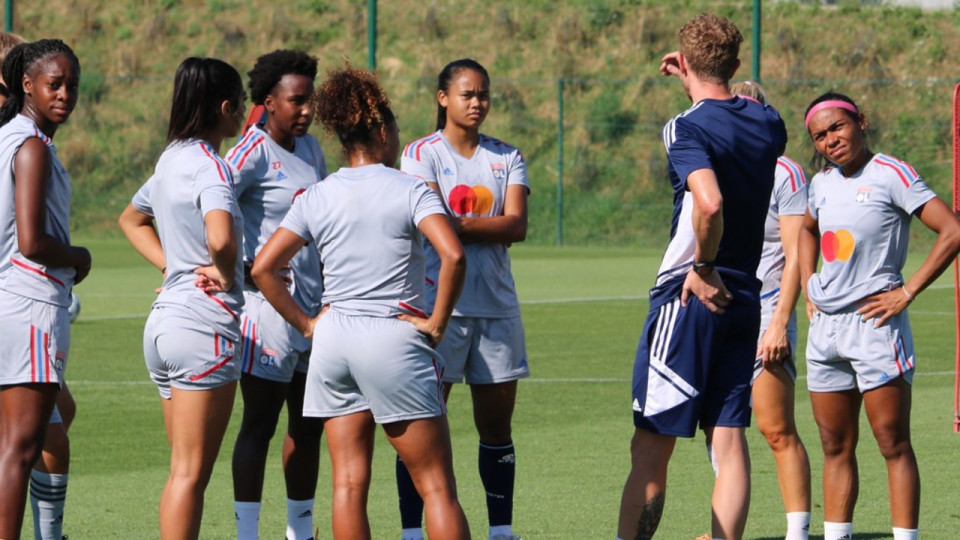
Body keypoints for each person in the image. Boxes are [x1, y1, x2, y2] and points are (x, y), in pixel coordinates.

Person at [251, 65, 470, 540]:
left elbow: (263, 268)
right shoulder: (410, 187)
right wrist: (436, 323)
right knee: (436, 488)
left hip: (333, 342)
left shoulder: (318, 194)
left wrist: (308, 324)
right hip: (391, 336)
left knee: (348, 485)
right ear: (383, 131)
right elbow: (453, 254)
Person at [616, 14, 787, 540]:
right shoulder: (770, 122)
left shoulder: (683, 126)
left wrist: (702, 267)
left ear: (684, 61)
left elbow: (708, 202)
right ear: (735, 66)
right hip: (746, 298)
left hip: (690, 295)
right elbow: (737, 117)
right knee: (729, 441)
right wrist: (695, 75)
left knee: (651, 445)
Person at [799, 92, 960, 540]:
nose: (831, 140)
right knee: (834, 445)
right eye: (820, 136)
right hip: (825, 330)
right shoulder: (820, 184)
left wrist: (907, 291)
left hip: (876, 327)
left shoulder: (892, 174)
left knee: (892, 443)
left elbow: (952, 230)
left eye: (837, 127)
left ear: (861, 122)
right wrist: (808, 283)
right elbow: (807, 229)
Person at [397, 58, 529, 540]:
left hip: (496, 308)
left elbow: (517, 226)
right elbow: (431, 225)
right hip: (438, 310)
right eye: (467, 94)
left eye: (483, 94)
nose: (477, 102)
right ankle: (412, 531)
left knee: (496, 428)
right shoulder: (420, 154)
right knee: (422, 429)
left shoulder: (507, 156)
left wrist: (460, 225)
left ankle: (501, 531)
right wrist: (485, 226)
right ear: (443, 98)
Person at [118, 57, 246, 540]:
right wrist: (225, 274)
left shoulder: (170, 158)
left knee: (180, 471)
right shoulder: (212, 166)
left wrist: (172, 266)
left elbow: (131, 219)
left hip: (163, 326)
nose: (244, 113)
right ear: (226, 108)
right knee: (190, 475)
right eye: (242, 104)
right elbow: (221, 238)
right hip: (202, 328)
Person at [225, 49, 327, 540]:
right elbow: (206, 206)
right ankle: (247, 534)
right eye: (296, 100)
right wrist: (241, 268)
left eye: (310, 100)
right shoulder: (250, 152)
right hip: (266, 311)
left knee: (308, 427)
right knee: (260, 424)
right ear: (268, 102)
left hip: (311, 310)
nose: (306, 110)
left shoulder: (311, 150)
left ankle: (299, 533)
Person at [0, 39, 90, 540]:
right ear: (26, 85)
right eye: (54, 84)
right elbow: (32, 242)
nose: (64, 94)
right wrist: (79, 257)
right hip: (30, 304)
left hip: (9, 301)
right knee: (21, 447)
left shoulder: (9, 136)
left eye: (72, 85)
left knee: (25, 438)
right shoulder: (31, 145)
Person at [729, 81, 812, 540]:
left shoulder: (785, 172)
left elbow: (798, 251)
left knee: (775, 427)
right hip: (720, 308)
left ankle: (797, 532)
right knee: (722, 428)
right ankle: (726, 530)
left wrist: (780, 320)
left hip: (765, 309)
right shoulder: (714, 163)